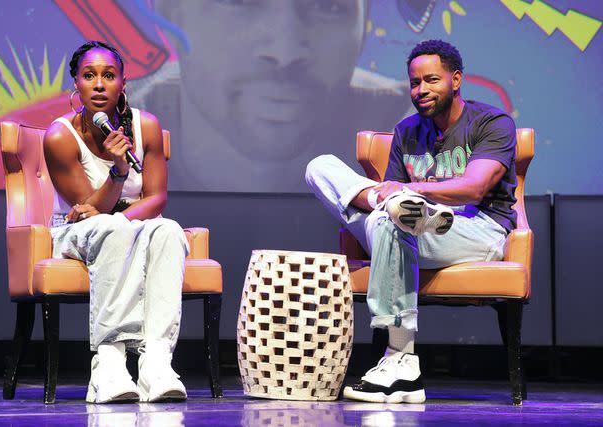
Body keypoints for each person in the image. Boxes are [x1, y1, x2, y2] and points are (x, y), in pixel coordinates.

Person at [305, 39, 517, 403]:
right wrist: (387, 198)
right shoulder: (406, 131)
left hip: (475, 229)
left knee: (397, 215)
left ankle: (400, 356)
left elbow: (473, 188)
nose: (421, 90)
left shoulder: (491, 122)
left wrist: (407, 191)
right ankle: (405, 213)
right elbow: (388, 198)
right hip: (407, 226)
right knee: (320, 168)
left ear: (456, 79)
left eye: (431, 80)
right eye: (415, 82)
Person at [127, 0, 411, 192]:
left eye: (328, 5)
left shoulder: (416, 131)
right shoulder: (104, 127)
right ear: (168, 12)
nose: (284, 52)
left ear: (363, 26)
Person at [43, 41, 190, 404]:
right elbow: (86, 209)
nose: (98, 84)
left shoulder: (148, 126)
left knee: (169, 229)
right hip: (74, 231)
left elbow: (157, 198)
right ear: (75, 84)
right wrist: (119, 171)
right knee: (111, 228)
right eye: (88, 76)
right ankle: (108, 364)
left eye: (108, 76)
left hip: (127, 220)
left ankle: (157, 362)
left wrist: (123, 216)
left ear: (123, 83)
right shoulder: (60, 136)